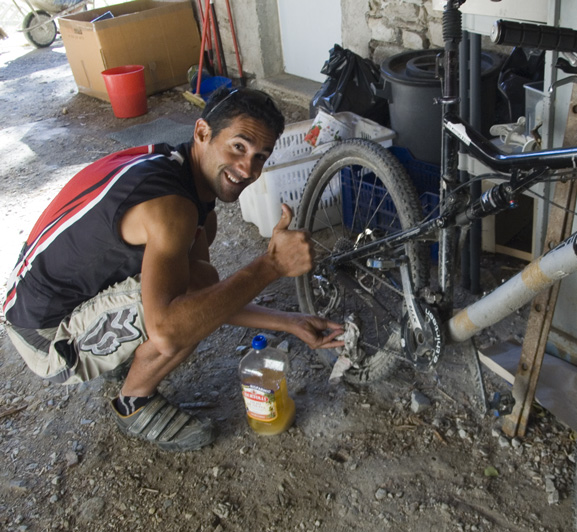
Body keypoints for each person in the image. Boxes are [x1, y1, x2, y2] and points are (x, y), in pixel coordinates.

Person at [3, 87, 344, 451]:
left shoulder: (176, 171)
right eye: (238, 147)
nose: (248, 170)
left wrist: (289, 322)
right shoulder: (173, 209)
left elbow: (208, 302)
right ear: (202, 133)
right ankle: (134, 402)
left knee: (198, 285)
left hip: (40, 296)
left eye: (260, 156)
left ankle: (124, 355)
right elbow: (172, 328)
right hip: (45, 338)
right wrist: (270, 266)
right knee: (182, 310)